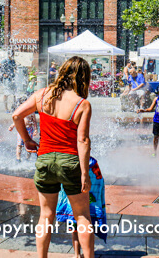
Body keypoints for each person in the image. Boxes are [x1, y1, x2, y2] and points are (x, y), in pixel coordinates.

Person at [11, 56, 94, 258]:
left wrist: (27, 140)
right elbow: (82, 141)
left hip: (45, 160)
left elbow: (16, 116)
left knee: (46, 215)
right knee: (82, 216)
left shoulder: (42, 95)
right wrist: (84, 173)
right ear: (83, 78)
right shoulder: (82, 104)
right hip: (70, 162)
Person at [56, 157, 108, 257]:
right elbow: (100, 181)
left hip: (72, 205)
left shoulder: (68, 162)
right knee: (87, 227)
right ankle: (88, 253)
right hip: (90, 206)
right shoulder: (93, 164)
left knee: (74, 230)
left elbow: (62, 183)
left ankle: (76, 254)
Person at [138, 86, 159, 154]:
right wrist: (143, 110)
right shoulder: (156, 99)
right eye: (158, 93)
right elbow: (150, 109)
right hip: (156, 120)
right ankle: (155, 151)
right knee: (156, 136)